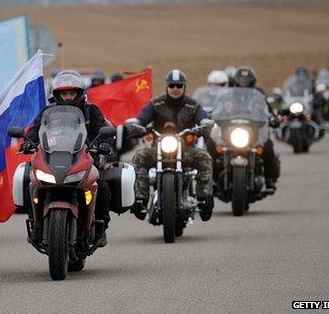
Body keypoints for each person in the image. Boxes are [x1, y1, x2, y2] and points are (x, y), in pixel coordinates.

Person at [24, 70, 113, 246]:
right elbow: (34, 131)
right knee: (30, 181)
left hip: (86, 158)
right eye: (64, 93)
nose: (68, 97)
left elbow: (104, 131)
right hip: (52, 157)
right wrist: (27, 142)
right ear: (57, 94)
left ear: (80, 93)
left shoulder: (91, 111)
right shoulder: (47, 113)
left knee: (101, 185)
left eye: (72, 93)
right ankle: (37, 224)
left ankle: (101, 228)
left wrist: (103, 143)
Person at [130, 70, 215, 221]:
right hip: (158, 149)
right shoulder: (155, 104)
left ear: (184, 87)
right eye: (172, 85)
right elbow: (141, 118)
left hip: (186, 149)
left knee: (205, 157)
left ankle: (204, 198)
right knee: (139, 156)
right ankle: (140, 198)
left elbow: (203, 118)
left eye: (179, 85)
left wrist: (203, 124)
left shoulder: (193, 105)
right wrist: (137, 124)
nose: (175, 88)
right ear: (167, 86)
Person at [234, 66, 281, 191]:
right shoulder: (229, 93)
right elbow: (220, 108)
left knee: (268, 144)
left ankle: (270, 179)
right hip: (233, 130)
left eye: (246, 80)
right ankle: (213, 179)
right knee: (213, 145)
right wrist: (213, 116)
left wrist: (273, 117)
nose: (243, 83)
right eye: (241, 80)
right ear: (236, 80)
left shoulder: (259, 93)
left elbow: (268, 109)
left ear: (252, 80)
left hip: (255, 130)